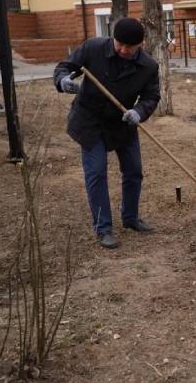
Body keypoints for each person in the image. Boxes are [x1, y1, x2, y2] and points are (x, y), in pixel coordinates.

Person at [53, 18, 161, 249]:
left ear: (140, 44)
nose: (122, 49)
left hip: (123, 122)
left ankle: (130, 218)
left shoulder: (148, 67)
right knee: (96, 172)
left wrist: (138, 112)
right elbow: (64, 67)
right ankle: (103, 228)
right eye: (119, 43)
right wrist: (63, 81)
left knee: (134, 171)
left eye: (129, 47)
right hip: (89, 121)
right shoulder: (93, 48)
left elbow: (151, 97)